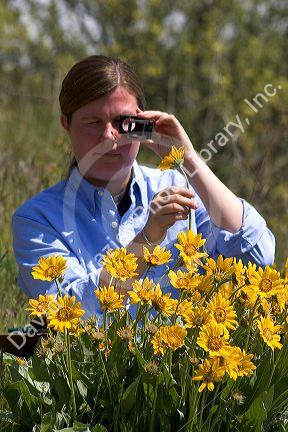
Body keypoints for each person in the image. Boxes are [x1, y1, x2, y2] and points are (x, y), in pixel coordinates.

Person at [12, 55, 275, 318]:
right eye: (93, 123)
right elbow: (68, 311)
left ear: (143, 125)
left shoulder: (181, 188)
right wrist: (147, 239)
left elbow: (257, 257)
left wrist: (189, 159)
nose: (108, 136)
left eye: (122, 123)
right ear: (66, 124)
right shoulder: (38, 219)